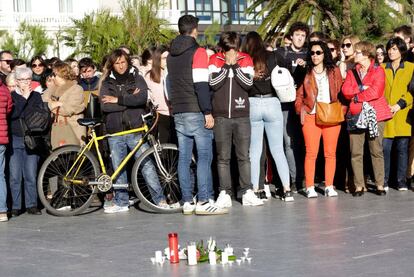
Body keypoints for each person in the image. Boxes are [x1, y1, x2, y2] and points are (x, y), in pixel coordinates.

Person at [167, 15, 226, 215]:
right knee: (203, 157)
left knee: (183, 158)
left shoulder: (170, 56)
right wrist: (207, 112)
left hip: (179, 111)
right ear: (195, 30)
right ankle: (203, 200)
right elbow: (201, 85)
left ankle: (186, 201)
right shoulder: (198, 52)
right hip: (196, 110)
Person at [99, 49, 168, 213]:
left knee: (147, 165)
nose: (121, 66)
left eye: (123, 62)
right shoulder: (107, 82)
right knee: (118, 168)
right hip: (115, 132)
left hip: (135, 130)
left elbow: (141, 98)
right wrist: (130, 100)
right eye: (117, 63)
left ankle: (160, 199)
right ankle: (121, 202)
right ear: (112, 65)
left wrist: (118, 99)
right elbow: (105, 106)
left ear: (127, 62)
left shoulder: (137, 77)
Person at [209, 31, 264, 208]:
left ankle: (247, 191)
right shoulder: (215, 60)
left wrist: (236, 67)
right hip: (221, 115)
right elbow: (213, 83)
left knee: (244, 156)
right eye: (228, 49)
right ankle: (224, 192)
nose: (232, 53)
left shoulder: (246, 59)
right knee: (223, 157)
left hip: (241, 115)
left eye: (234, 49)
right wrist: (226, 66)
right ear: (222, 49)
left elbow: (248, 84)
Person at [242, 31, 294, 202]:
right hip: (273, 103)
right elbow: (286, 69)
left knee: (255, 152)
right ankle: (287, 190)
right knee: (278, 149)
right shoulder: (273, 56)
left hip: (253, 104)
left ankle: (255, 190)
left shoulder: (245, 59)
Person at [342, 41, 392, 196]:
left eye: (357, 52)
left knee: (376, 150)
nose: (354, 54)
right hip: (356, 115)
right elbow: (345, 91)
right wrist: (362, 90)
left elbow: (376, 92)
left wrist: (357, 97)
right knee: (355, 152)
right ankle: (359, 186)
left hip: (375, 115)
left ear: (365, 54)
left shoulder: (378, 70)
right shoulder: (352, 72)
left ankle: (379, 184)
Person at [295, 41, 343, 198]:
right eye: (312, 52)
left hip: (331, 115)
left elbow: (341, 92)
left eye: (318, 52)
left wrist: (341, 109)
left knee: (330, 153)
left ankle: (329, 185)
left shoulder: (334, 70)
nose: (315, 55)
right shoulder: (306, 71)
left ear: (325, 54)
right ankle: (309, 186)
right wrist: (300, 109)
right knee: (311, 153)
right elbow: (299, 94)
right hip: (311, 116)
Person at [275, 21, 309, 193]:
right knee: (288, 143)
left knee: (304, 143)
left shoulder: (310, 54)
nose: (300, 38)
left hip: (304, 103)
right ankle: (293, 178)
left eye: (303, 36)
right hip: (285, 104)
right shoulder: (281, 53)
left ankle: (304, 177)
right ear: (291, 36)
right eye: (297, 35)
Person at [9, 67, 43, 216]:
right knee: (15, 176)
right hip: (15, 138)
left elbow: (37, 115)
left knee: (30, 174)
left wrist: (28, 97)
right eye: (23, 80)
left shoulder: (36, 96)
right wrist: (23, 98)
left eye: (28, 79)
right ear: (16, 81)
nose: (26, 82)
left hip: (31, 139)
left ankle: (32, 204)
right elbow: (13, 115)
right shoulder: (11, 96)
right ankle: (16, 206)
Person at [382, 37, 414, 191]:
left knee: (402, 149)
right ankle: (384, 181)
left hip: (403, 113)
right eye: (389, 48)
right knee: (385, 149)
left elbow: (412, 91)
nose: (390, 51)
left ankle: (401, 182)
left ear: (401, 51)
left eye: (394, 48)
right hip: (385, 113)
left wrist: (399, 105)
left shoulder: (411, 67)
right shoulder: (381, 67)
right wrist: (385, 105)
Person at [42, 61, 86, 146]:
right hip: (54, 130)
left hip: (72, 130)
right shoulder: (50, 89)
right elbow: (43, 103)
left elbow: (68, 109)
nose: (52, 77)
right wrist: (56, 104)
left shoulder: (76, 89)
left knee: (74, 157)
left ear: (63, 75)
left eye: (54, 75)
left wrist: (51, 106)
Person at [143, 46, 175, 144]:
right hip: (159, 116)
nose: (167, 60)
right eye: (164, 58)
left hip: (175, 114)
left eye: (169, 57)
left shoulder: (173, 73)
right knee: (163, 147)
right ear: (157, 59)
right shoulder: (149, 76)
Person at [0, 72, 12, 222]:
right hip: (2, 138)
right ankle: (2, 211)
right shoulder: (4, 90)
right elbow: (9, 109)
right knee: (0, 175)